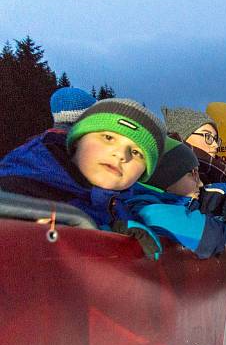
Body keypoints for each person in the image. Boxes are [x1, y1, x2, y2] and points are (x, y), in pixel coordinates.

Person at [0, 98, 166, 259]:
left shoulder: (115, 203)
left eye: (137, 153)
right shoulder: (22, 188)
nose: (121, 155)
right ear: (77, 140)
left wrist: (116, 231)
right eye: (108, 137)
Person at [162, 106, 226, 183]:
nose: (215, 145)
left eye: (216, 139)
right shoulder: (169, 177)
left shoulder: (220, 175)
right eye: (208, 136)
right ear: (183, 136)